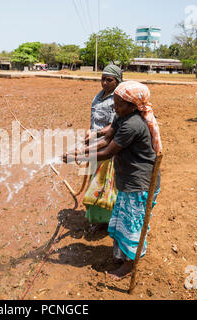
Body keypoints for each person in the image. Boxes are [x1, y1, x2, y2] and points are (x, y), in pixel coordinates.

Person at [64, 80, 162, 280]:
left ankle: (129, 265)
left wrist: (78, 157)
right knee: (122, 221)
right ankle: (122, 256)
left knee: (133, 225)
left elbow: (108, 152)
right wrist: (81, 150)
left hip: (140, 183)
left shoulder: (133, 124)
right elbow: (105, 139)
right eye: (114, 102)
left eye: (119, 103)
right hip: (128, 179)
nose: (114, 107)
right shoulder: (122, 117)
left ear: (134, 106)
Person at [82, 64, 122, 228]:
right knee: (95, 181)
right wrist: (90, 131)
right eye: (102, 79)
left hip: (108, 146)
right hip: (95, 143)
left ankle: (106, 220)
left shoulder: (118, 99)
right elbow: (95, 121)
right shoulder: (99, 96)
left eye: (109, 80)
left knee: (105, 184)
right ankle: (96, 218)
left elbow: (114, 125)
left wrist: (96, 134)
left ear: (117, 81)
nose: (104, 83)